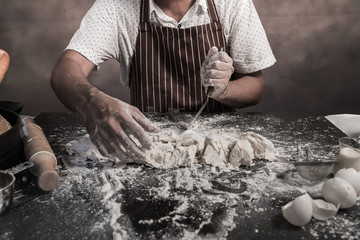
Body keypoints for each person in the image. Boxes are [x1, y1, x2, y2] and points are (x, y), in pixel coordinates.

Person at [51, 0, 276, 163]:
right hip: (149, 150)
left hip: (218, 153)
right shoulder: (115, 7)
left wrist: (224, 90)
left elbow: (255, 87)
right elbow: (65, 69)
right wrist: (91, 103)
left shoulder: (232, 4)